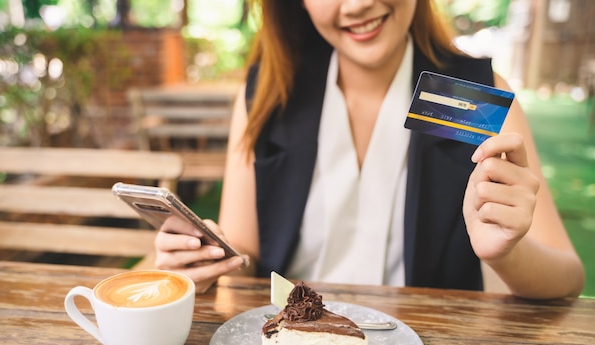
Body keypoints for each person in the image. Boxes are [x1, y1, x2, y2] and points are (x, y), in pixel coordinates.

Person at [155, 0, 584, 299]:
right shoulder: (272, 94)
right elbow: (244, 256)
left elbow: (568, 276)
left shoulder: (466, 98)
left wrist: (508, 253)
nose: (358, 3)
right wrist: (206, 258)